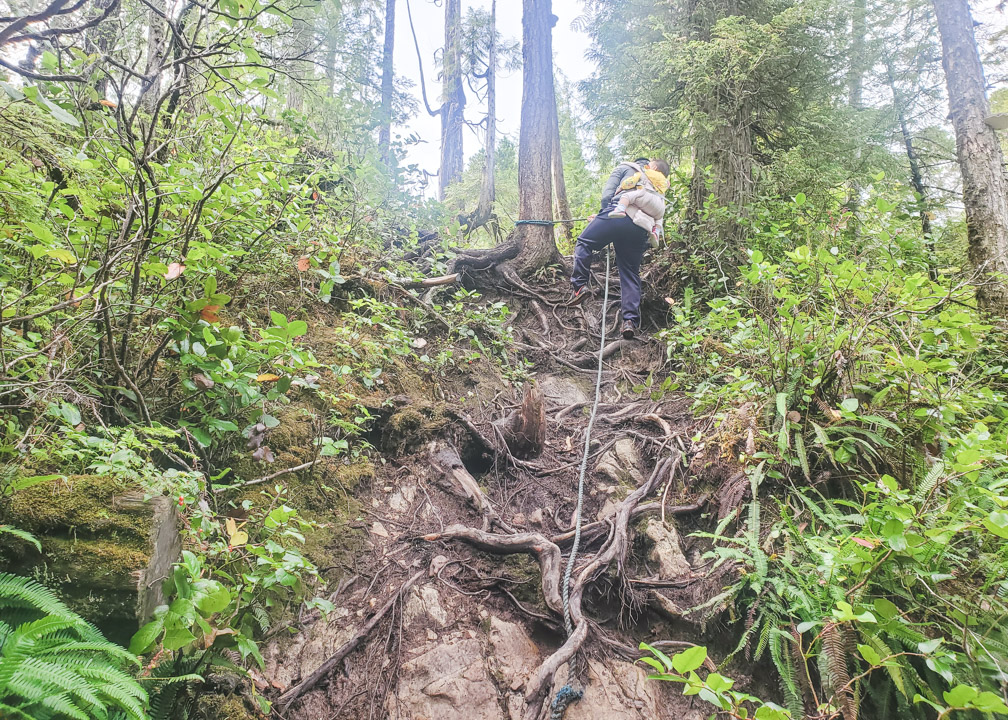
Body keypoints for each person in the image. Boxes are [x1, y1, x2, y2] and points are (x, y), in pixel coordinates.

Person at [569, 157, 668, 340]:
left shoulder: (625, 168)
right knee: (630, 272)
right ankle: (630, 321)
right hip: (641, 226)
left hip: (619, 214)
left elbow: (608, 196)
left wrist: (602, 217)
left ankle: (580, 286)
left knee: (584, 242)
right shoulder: (657, 183)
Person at [608, 159, 670, 247]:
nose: (646, 166)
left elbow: (632, 181)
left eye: (649, 165)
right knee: (659, 218)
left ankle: (620, 209)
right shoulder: (665, 182)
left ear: (654, 168)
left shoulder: (647, 172)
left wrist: (621, 187)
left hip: (646, 197)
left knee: (627, 196)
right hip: (660, 206)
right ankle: (656, 232)